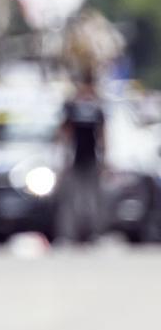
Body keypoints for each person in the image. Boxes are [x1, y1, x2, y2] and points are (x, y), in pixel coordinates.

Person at [58, 70, 105, 243]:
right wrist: (63, 155)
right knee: (71, 199)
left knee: (91, 198)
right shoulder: (71, 107)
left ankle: (92, 233)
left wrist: (105, 158)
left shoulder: (96, 108)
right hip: (74, 158)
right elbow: (65, 131)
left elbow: (102, 134)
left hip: (91, 158)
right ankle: (70, 234)